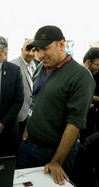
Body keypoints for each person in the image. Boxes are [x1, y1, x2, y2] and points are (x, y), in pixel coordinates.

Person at [16, 25, 95, 185]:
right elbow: (34, 101)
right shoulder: (42, 67)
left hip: (53, 153)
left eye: (45, 48)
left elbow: (75, 122)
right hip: (27, 145)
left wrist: (57, 161)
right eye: (38, 50)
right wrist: (26, 130)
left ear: (61, 44)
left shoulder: (80, 76)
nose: (40, 54)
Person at [11, 39, 36, 142]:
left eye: (34, 50)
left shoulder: (36, 65)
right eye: (28, 50)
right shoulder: (13, 65)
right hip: (19, 115)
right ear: (22, 49)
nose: (30, 53)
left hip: (31, 113)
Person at [80, 47, 99, 143]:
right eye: (97, 65)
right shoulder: (80, 75)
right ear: (88, 62)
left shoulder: (92, 75)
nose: (98, 68)